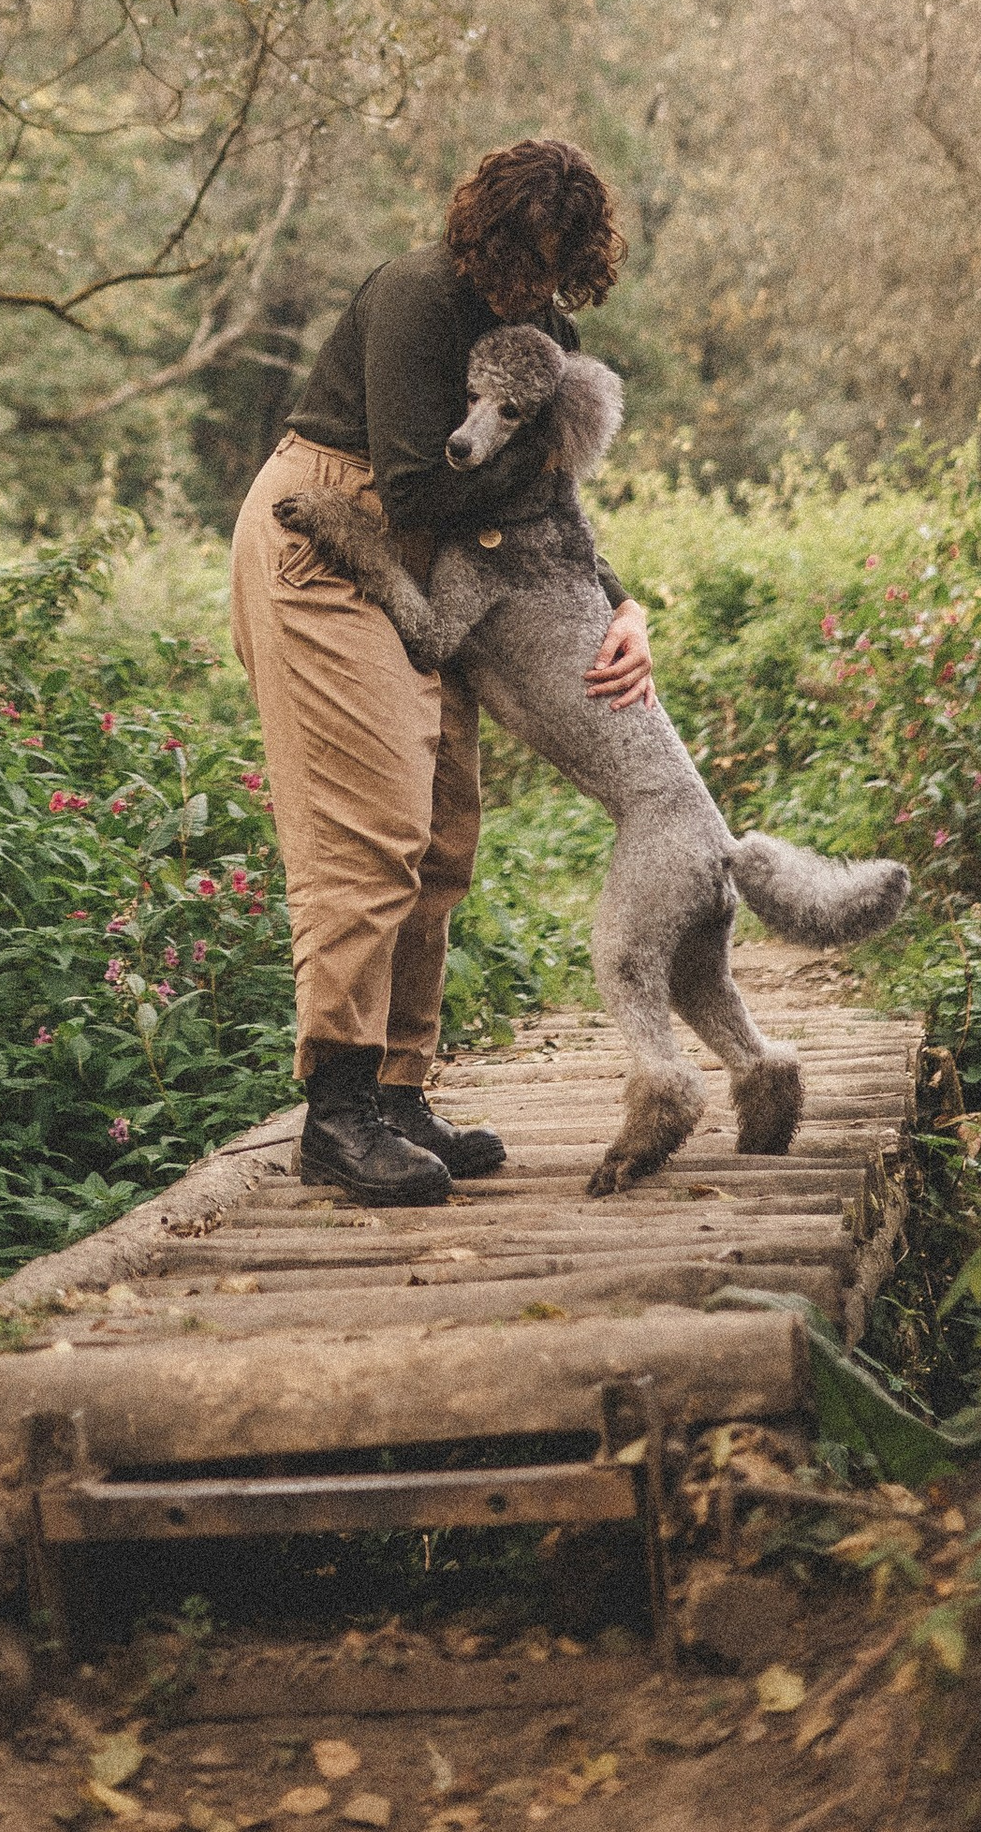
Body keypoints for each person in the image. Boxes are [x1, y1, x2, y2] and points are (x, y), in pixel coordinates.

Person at [229, 138, 654, 1205]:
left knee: (444, 828)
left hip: (437, 566)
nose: (531, 280)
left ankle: (398, 1091)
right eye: (518, 252)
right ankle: (336, 1111)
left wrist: (619, 602)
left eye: (554, 263)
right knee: (370, 822)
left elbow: (552, 500)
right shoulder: (420, 294)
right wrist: (541, 452)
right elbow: (418, 488)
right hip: (328, 537)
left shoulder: (545, 333)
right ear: (480, 229)